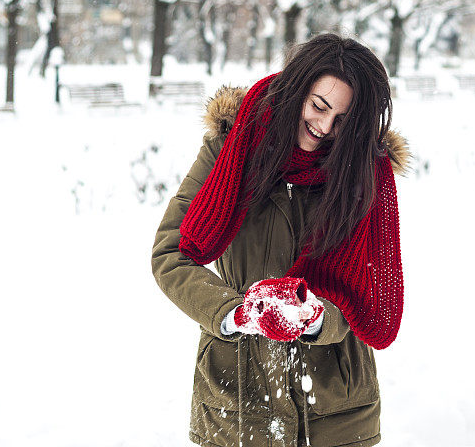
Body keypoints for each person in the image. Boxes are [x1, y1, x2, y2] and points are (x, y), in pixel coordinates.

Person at [151, 33, 410, 447]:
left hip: (337, 408)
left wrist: (318, 316)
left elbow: (368, 292)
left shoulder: (364, 173)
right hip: (236, 396)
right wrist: (234, 313)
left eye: (342, 121)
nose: (323, 128)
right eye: (318, 106)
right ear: (296, 89)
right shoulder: (230, 148)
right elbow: (171, 254)